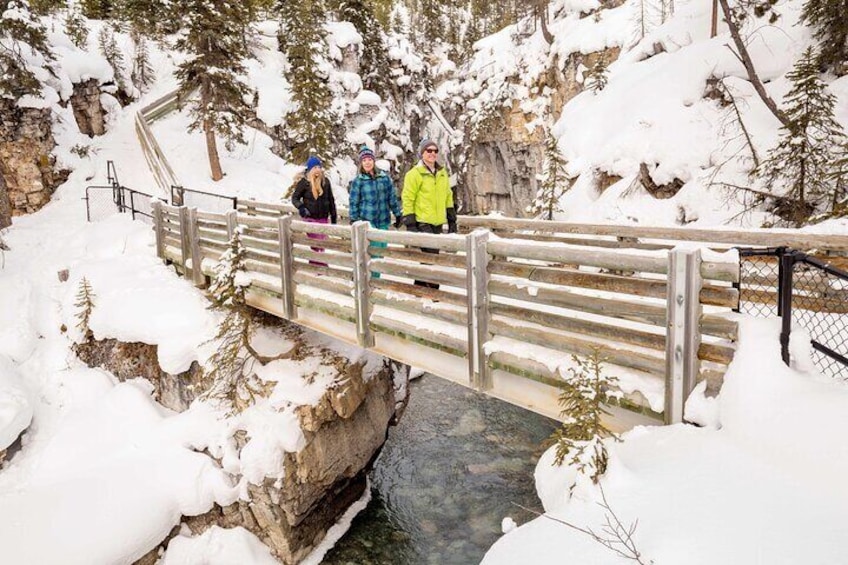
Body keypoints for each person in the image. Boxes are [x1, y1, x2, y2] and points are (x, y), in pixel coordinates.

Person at [401, 139, 457, 289]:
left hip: (438, 222)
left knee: (428, 257)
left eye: (435, 151)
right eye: (429, 150)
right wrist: (410, 222)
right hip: (422, 221)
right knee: (432, 257)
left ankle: (418, 287)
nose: (432, 154)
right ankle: (434, 293)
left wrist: (452, 219)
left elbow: (447, 195)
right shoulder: (415, 174)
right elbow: (408, 197)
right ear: (422, 153)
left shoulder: (442, 173)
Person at [348, 146, 402, 278]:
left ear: (373, 161)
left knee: (380, 253)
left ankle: (374, 280)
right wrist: (354, 219)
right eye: (364, 160)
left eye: (369, 159)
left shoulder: (384, 178)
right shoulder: (358, 181)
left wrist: (398, 214)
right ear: (361, 163)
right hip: (368, 223)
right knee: (371, 254)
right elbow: (353, 202)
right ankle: (370, 281)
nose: (367, 162)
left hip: (383, 222)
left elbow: (391, 198)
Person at [291, 156, 337, 266]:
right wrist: (302, 208)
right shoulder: (304, 183)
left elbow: (331, 199)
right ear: (310, 169)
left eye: (319, 167)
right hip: (310, 217)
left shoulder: (325, 182)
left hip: (323, 217)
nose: (317, 169)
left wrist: (334, 216)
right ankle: (318, 265)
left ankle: (316, 264)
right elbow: (295, 198)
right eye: (314, 167)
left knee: (322, 243)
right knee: (316, 242)